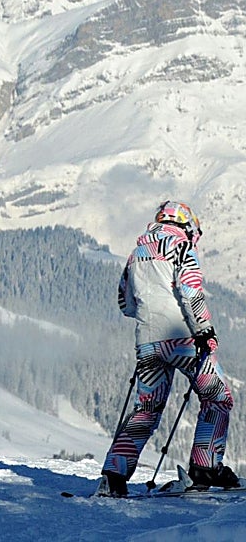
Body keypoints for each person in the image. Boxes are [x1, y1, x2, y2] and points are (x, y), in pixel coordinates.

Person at [100, 200, 237, 496]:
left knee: (147, 408)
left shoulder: (136, 254)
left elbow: (126, 303)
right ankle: (206, 466)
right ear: (187, 225)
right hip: (183, 339)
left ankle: (113, 475)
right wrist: (204, 331)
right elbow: (190, 292)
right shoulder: (181, 248)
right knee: (217, 397)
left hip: (147, 341)